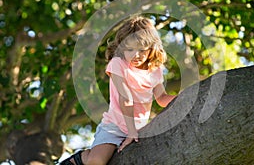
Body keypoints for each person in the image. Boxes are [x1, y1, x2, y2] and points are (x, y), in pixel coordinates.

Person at [60, 16, 177, 165]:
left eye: (142, 50)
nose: (136, 55)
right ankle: (80, 158)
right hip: (114, 126)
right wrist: (131, 131)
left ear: (151, 48)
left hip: (140, 127)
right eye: (130, 49)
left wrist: (182, 98)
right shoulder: (118, 64)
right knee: (96, 161)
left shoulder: (155, 70)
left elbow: (161, 97)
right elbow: (125, 98)